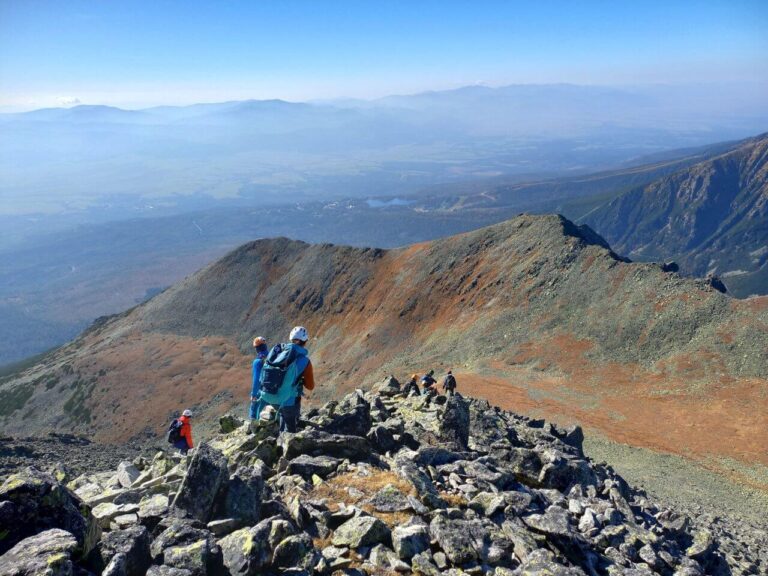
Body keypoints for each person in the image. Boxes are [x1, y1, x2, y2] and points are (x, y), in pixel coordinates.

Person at [255, 326, 315, 434]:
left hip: (269, 395)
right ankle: (286, 442)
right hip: (287, 400)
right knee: (290, 428)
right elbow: (310, 386)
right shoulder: (304, 361)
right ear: (305, 341)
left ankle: (281, 436)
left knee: (283, 412)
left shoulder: (278, 351)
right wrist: (300, 380)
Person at [249, 336, 269, 420]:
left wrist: (253, 394)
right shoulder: (272, 357)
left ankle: (253, 427)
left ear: (256, 349)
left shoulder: (258, 361)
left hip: (261, 391)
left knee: (254, 411)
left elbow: (256, 379)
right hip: (274, 390)